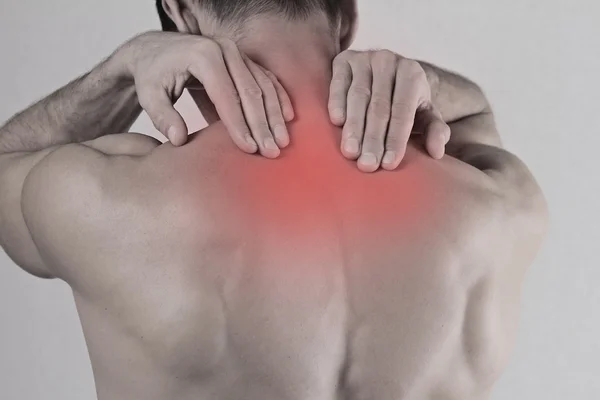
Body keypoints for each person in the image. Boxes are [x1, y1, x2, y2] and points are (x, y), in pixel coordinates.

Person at [0, 0, 548, 399]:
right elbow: (475, 118)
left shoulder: (107, 198)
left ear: (183, 14)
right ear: (348, 17)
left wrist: (122, 70)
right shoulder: (492, 203)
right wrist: (425, 81)